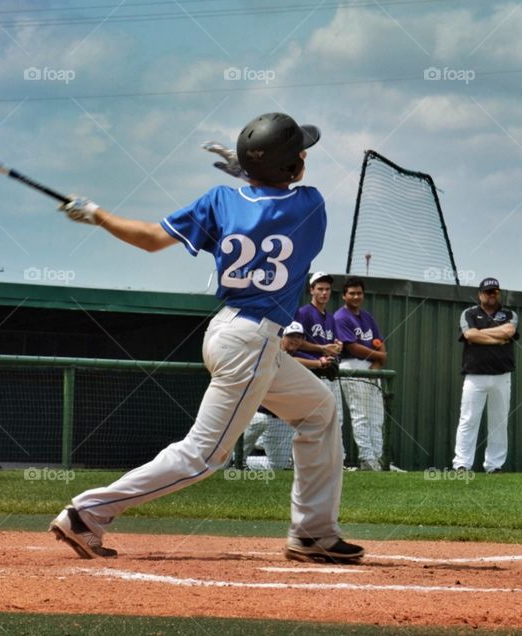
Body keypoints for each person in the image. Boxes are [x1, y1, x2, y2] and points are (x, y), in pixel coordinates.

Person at [50, 112, 364, 564]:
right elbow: (278, 195)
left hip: (231, 332)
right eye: (300, 154)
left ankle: (314, 533)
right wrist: (253, 173)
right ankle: (87, 512)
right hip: (251, 343)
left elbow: (150, 239)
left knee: (319, 411)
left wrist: (97, 215)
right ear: (290, 167)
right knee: (202, 457)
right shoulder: (310, 205)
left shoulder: (219, 200)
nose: (304, 159)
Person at [452, 277, 518, 474]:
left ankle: (494, 465)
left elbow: (509, 330)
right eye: (488, 292)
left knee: (499, 421)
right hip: (475, 375)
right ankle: (462, 464)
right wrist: (497, 340)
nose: (492, 295)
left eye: (495, 292)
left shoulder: (509, 314)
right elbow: (470, 335)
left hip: (502, 375)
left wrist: (482, 335)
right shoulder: (469, 313)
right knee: (468, 419)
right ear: (480, 294)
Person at [240, 322, 322, 470]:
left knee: (278, 466)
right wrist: (317, 363)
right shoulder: (270, 351)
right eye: (291, 336)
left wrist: (325, 363)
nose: (295, 340)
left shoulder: (301, 357)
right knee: (254, 427)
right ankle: (231, 461)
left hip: (281, 419)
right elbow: (288, 361)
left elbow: (313, 362)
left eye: (299, 337)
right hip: (258, 413)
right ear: (282, 337)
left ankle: (244, 463)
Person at [334, 277, 386, 472]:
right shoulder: (341, 317)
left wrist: (378, 361)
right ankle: (367, 459)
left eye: (359, 293)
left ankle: (378, 458)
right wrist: (380, 356)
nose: (356, 296)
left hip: (372, 368)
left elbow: (380, 341)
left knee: (376, 416)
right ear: (344, 295)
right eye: (352, 293)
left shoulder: (367, 317)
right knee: (361, 415)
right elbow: (352, 347)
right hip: (351, 365)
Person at [292, 272, 344, 459]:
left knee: (336, 418)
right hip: (309, 371)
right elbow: (294, 342)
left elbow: (334, 343)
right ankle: (305, 458)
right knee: (311, 418)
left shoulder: (330, 318)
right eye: (320, 289)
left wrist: (337, 347)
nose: (324, 293)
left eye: (327, 289)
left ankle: (333, 458)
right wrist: (322, 347)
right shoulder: (303, 313)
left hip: (327, 371)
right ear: (311, 290)